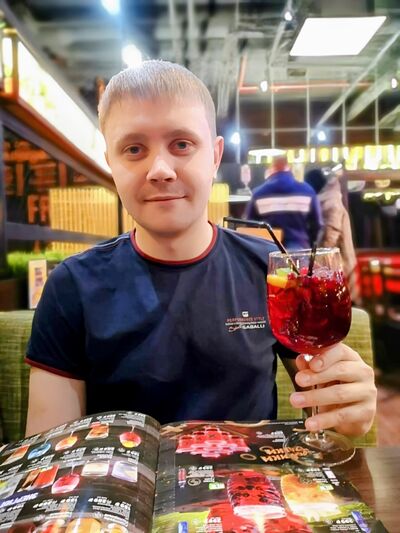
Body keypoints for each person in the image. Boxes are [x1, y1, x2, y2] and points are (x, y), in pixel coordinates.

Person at [25, 60, 376, 439]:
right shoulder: (71, 286)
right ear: (110, 162)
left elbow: (327, 401)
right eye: (134, 149)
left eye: (182, 144)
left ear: (215, 156)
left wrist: (348, 409)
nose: (160, 169)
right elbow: (48, 449)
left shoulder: (273, 273)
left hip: (251, 475)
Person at [305, 167, 360, 303]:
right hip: (334, 267)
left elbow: (329, 238)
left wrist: (314, 265)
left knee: (340, 305)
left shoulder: (331, 203)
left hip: (338, 267)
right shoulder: (327, 200)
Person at [244, 154, 323, 250]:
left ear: (272, 168)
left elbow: (250, 225)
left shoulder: (258, 194)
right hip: (300, 249)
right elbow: (317, 224)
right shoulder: (307, 191)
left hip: (268, 250)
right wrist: (309, 243)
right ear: (289, 167)